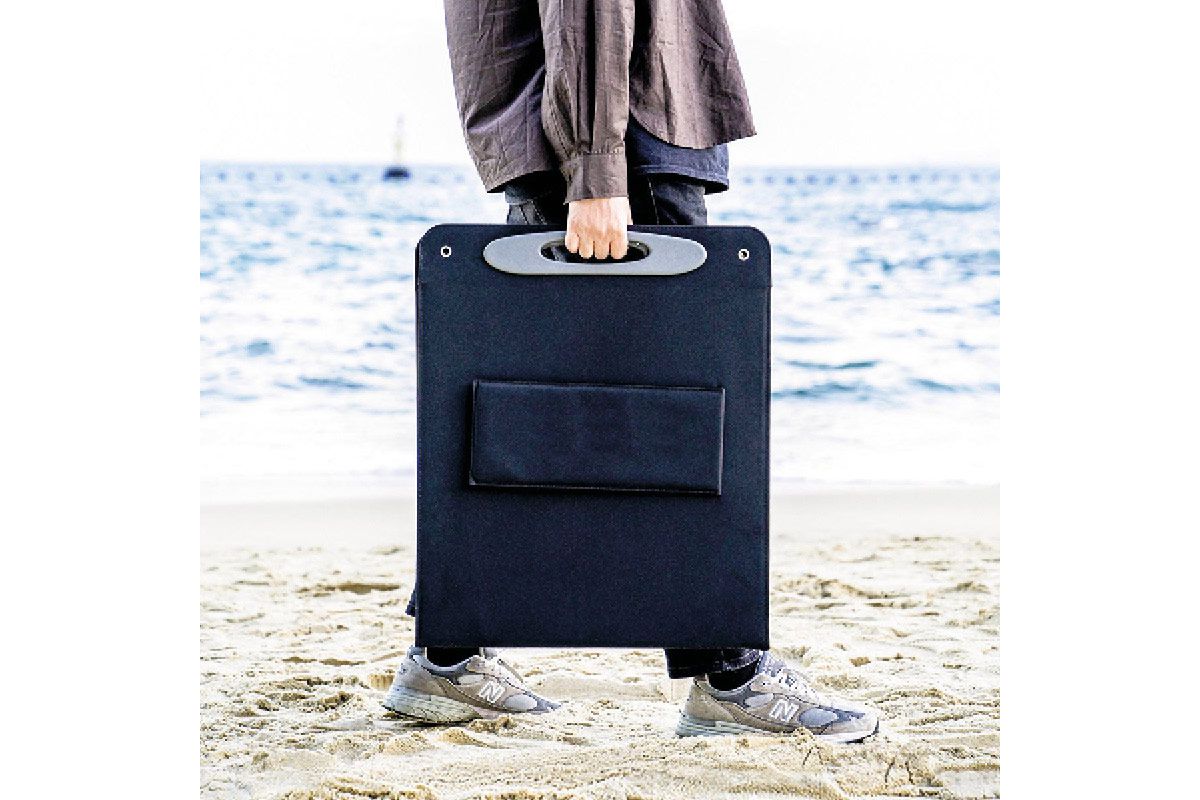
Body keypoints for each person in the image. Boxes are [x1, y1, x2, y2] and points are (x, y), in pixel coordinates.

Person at [384, 0, 880, 741]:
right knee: (678, 422)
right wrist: (596, 171)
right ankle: (730, 675)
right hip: (626, 131)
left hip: (578, 122)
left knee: (538, 413)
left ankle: (447, 654)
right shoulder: (606, 152)